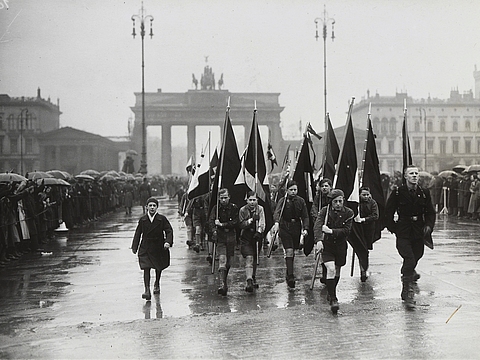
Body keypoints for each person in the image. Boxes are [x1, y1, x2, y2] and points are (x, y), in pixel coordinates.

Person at [385, 165, 436, 308]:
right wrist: (393, 228)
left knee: (417, 255)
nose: (414, 176)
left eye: (416, 173)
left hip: (418, 231)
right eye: (411, 173)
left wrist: (428, 226)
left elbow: (431, 212)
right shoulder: (397, 193)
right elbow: (388, 212)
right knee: (409, 258)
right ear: (406, 177)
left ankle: (408, 275)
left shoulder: (424, 192)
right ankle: (407, 291)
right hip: (403, 230)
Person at [314, 189, 354, 314]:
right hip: (328, 246)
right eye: (335, 201)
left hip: (341, 246)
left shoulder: (349, 213)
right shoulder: (324, 212)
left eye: (340, 201)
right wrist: (319, 240)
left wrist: (331, 231)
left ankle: (331, 292)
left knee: (337, 270)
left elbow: (346, 231)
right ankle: (333, 298)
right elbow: (318, 226)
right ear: (331, 202)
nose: (338, 204)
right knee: (330, 269)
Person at [131, 197, 173, 301]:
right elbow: (138, 233)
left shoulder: (161, 219)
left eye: (154, 205)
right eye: (150, 205)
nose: (152, 207)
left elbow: (169, 231)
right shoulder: (143, 220)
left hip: (158, 246)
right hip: (145, 246)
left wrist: (167, 242)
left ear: (157, 207)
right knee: (146, 268)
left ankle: (157, 283)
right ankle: (147, 290)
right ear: (146, 207)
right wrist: (134, 246)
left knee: (158, 267)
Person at [272, 180, 309, 289]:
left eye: (295, 190)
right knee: (288, 250)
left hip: (296, 227)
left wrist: (305, 228)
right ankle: (291, 276)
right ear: (287, 190)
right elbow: (277, 213)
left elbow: (305, 216)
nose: (293, 192)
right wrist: (277, 223)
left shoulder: (301, 201)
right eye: (291, 190)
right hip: (285, 226)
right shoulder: (282, 201)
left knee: (293, 251)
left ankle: (289, 272)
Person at [209, 188, 239, 296]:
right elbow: (211, 221)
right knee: (222, 259)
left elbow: (236, 222)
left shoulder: (234, 208)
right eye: (221, 198)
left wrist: (222, 224)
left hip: (231, 236)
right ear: (218, 198)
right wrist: (214, 230)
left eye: (225, 197)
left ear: (229, 197)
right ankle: (221, 284)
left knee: (229, 263)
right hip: (220, 237)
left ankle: (225, 281)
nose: (223, 200)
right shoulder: (216, 209)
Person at [238, 191, 265, 292]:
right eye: (250, 200)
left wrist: (259, 231)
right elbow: (240, 224)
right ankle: (248, 280)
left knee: (255, 257)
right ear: (247, 200)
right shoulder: (243, 210)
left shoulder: (260, 209)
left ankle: (253, 277)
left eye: (254, 200)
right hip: (246, 237)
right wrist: (250, 221)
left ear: (257, 200)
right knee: (249, 257)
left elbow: (262, 222)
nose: (252, 202)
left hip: (256, 237)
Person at [354, 186, 379, 282]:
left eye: (367, 194)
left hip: (369, 229)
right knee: (361, 249)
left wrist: (364, 219)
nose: (366, 196)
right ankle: (362, 270)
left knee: (366, 250)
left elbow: (375, 215)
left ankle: (364, 268)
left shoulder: (372, 203)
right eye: (363, 195)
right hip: (359, 229)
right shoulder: (357, 203)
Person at [310, 178, 332, 284]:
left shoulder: (333, 197)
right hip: (320, 223)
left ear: (330, 187)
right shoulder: (317, 198)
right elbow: (313, 208)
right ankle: (324, 273)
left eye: (326, 186)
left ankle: (328, 273)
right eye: (322, 186)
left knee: (329, 250)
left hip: (330, 226)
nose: (324, 188)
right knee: (321, 250)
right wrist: (317, 216)